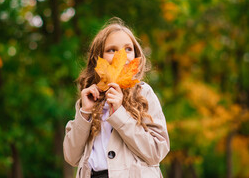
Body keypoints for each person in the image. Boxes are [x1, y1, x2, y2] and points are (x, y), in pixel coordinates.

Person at [63, 18, 170, 178]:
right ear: (97, 59)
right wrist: (85, 113)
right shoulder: (90, 99)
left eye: (128, 49)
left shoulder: (143, 93)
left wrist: (120, 113)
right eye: (112, 50)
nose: (122, 55)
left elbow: (156, 152)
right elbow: (71, 157)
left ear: (136, 54)